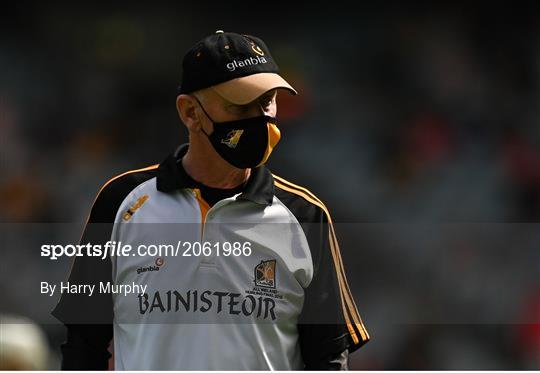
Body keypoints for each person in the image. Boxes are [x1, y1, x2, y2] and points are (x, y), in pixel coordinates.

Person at [52, 30, 370, 370]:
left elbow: (329, 358)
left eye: (266, 102)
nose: (260, 119)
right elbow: (83, 348)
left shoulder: (306, 215)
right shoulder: (119, 202)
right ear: (190, 112)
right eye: (240, 105)